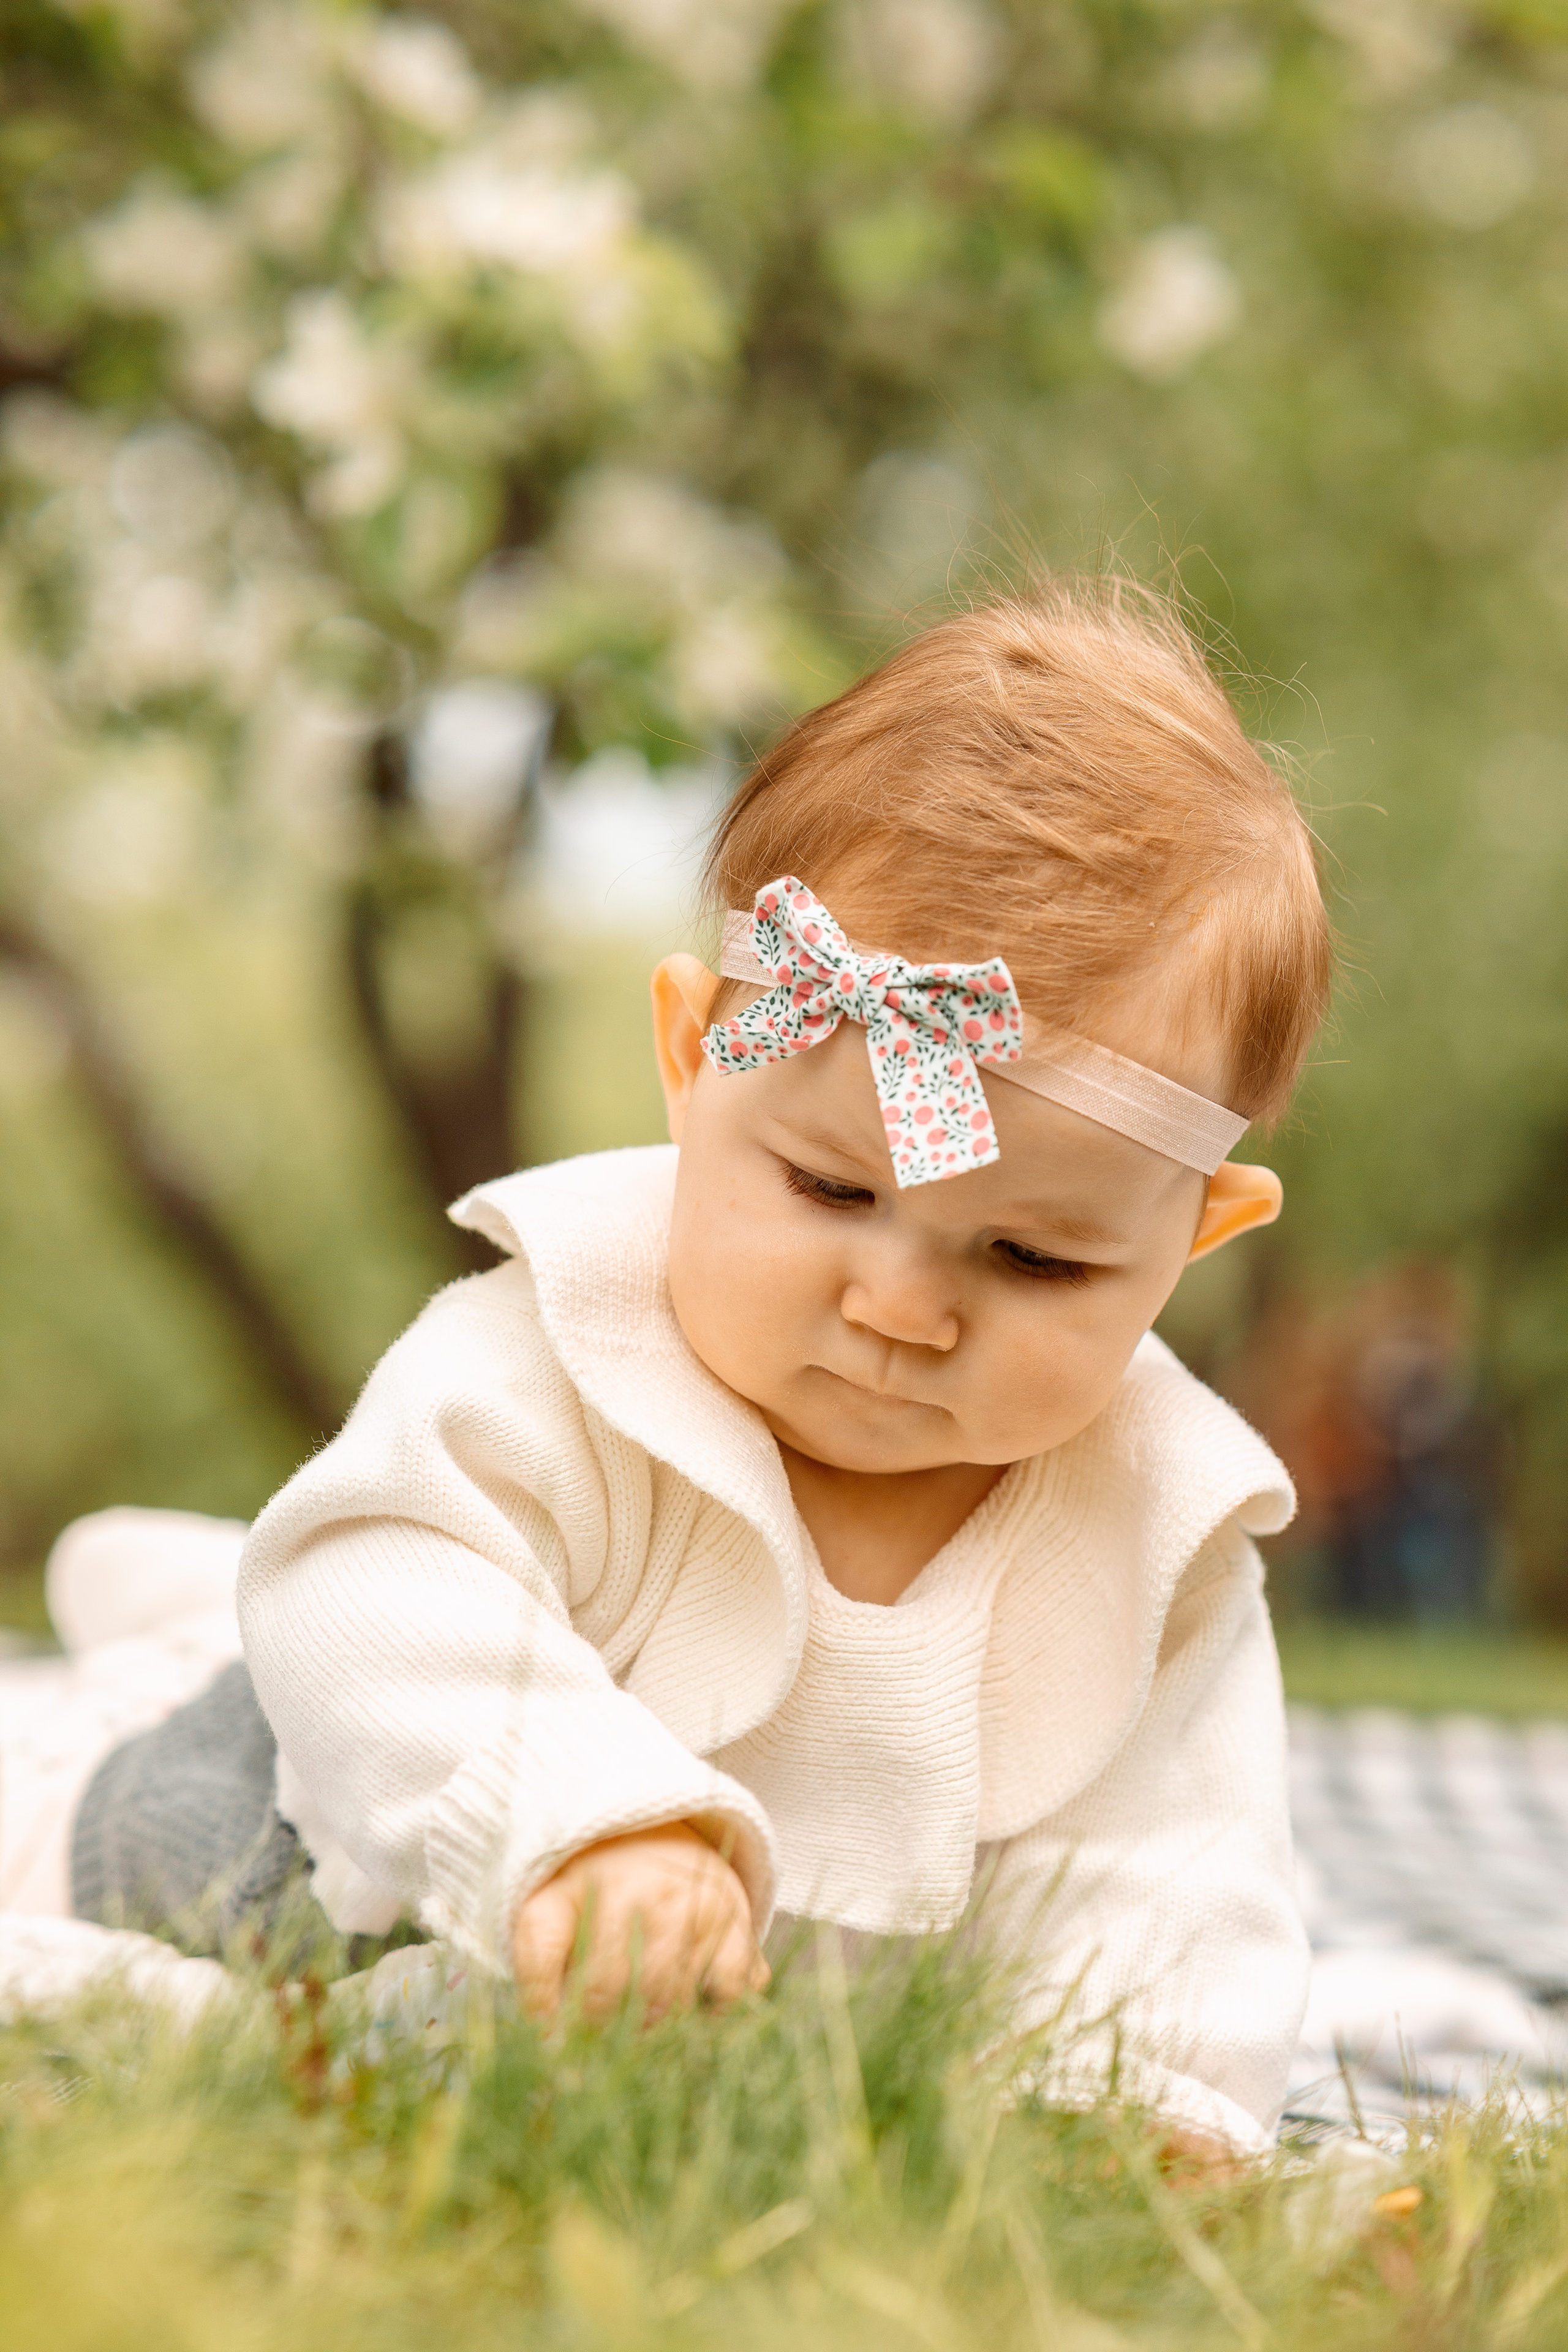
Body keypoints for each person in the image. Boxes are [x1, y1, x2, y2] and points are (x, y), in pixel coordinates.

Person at [59, 579, 1332, 2160]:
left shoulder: (1157, 1535)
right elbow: (372, 1579)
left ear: (1195, 1237)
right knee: (147, 1849)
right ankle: (190, 1648)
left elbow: (1178, 1872)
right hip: (389, 1843)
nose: (903, 1307)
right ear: (688, 1060)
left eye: (1034, 1260)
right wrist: (575, 1826)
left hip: (773, 2007)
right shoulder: (572, 1343)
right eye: (830, 1190)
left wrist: (1145, 2113)